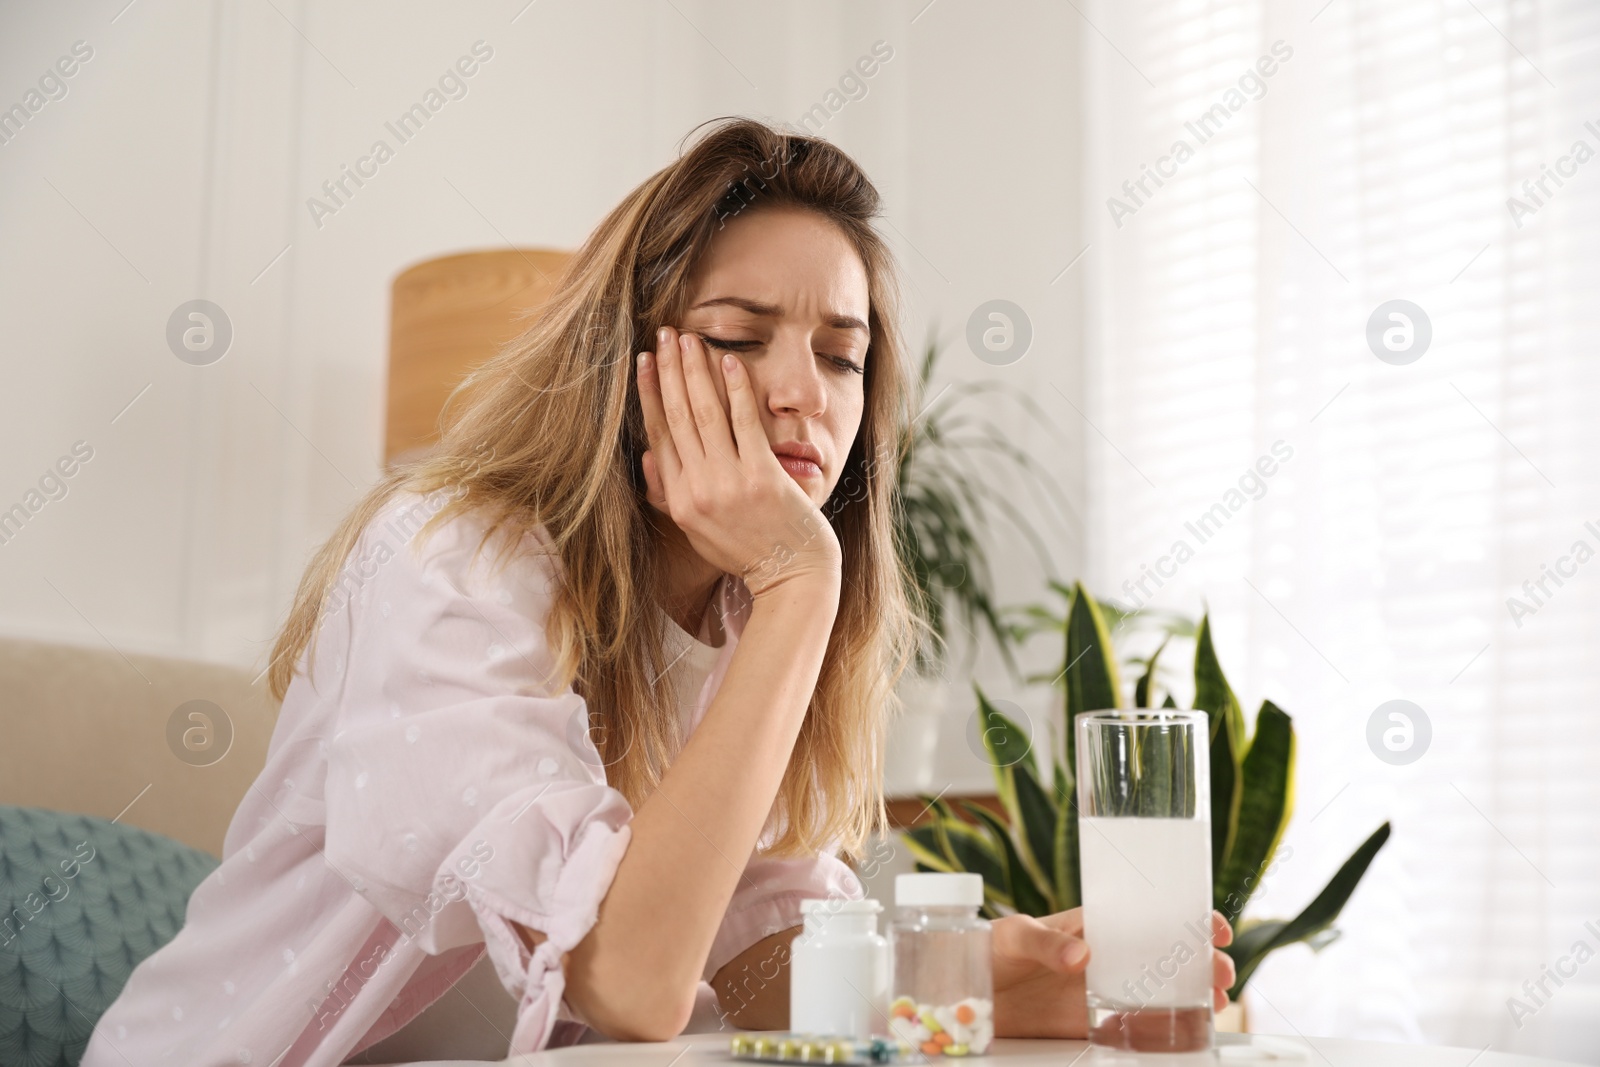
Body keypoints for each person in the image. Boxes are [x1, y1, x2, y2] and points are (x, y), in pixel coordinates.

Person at [82, 116, 1235, 1067]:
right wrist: (800, 581)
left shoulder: (742, 619)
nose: (803, 392)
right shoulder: (451, 558)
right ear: (623, 365)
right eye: (738, 338)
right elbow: (631, 980)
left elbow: (747, 953)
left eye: (841, 355)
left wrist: (979, 974)